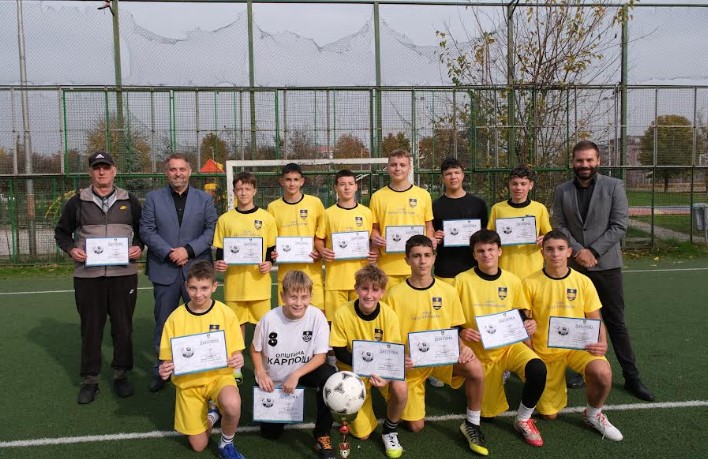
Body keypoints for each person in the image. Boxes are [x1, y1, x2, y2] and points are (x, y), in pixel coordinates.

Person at [551, 140, 654, 401]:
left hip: (606, 266)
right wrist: (578, 251)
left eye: (589, 160)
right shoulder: (562, 190)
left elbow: (619, 225)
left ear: (598, 161)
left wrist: (593, 251)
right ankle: (580, 370)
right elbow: (559, 225)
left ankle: (632, 377)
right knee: (578, 321)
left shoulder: (614, 186)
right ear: (573, 162)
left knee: (615, 322)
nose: (584, 165)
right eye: (579, 160)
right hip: (575, 267)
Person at [384, 235, 488, 456]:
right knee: (415, 426)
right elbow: (388, 337)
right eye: (416, 256)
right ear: (406, 259)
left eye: (427, 255)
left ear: (434, 258)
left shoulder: (448, 291)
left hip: (442, 359)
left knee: (475, 368)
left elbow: (454, 328)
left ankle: (472, 424)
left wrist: (463, 347)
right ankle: (397, 400)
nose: (422, 261)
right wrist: (399, 359)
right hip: (412, 365)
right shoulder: (394, 295)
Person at [54, 151, 143, 404]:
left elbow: (143, 231)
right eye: (96, 168)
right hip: (88, 276)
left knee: (123, 328)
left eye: (106, 167)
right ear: (90, 172)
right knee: (91, 329)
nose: (101, 172)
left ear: (114, 170)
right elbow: (61, 232)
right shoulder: (77, 202)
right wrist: (71, 249)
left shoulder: (130, 200)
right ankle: (90, 380)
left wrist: (139, 246)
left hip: (123, 275)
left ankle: (121, 374)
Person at [522, 231, 623, 441]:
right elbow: (525, 324)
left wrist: (602, 342)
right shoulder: (529, 282)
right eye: (549, 249)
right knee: (550, 415)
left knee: (602, 372)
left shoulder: (583, 281)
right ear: (542, 253)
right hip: (545, 352)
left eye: (560, 249)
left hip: (578, 347)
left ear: (569, 252)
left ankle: (593, 414)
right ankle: (552, 389)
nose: (555, 254)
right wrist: (531, 353)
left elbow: (595, 318)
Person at [455, 229, 546, 447]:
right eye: (481, 251)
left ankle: (523, 419)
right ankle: (480, 388)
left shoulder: (512, 280)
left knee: (537, 368)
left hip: (508, 347)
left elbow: (519, 313)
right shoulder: (461, 280)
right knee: (487, 416)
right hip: (479, 352)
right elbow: (450, 318)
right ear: (474, 254)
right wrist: (461, 331)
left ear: (499, 251)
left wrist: (528, 323)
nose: (486, 254)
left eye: (491, 249)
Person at [141, 153, 218, 392]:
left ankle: (204, 367)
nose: (178, 173)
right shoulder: (153, 198)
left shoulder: (204, 199)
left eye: (182, 169)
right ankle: (162, 370)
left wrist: (188, 250)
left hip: (197, 270)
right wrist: (169, 252)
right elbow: (146, 230)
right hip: (165, 269)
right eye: (173, 169)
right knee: (164, 323)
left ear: (189, 171)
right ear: (167, 172)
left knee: (202, 321)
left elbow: (211, 229)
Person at [158, 261, 247, 459]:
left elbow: (236, 351)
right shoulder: (175, 318)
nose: (199, 294)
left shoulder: (226, 313)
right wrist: (164, 369)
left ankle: (226, 444)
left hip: (218, 378)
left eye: (204, 288)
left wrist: (238, 358)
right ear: (186, 286)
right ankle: (213, 414)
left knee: (232, 403)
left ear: (214, 286)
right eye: (193, 288)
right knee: (199, 446)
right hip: (189, 384)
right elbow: (167, 360)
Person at [250, 271, 337, 459]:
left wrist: (296, 374)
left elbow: (320, 356)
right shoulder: (269, 319)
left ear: (310, 296)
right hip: (275, 377)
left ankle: (322, 433)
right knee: (270, 434)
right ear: (282, 296)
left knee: (330, 377)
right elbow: (255, 349)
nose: (298, 303)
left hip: (302, 371)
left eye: (304, 297)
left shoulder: (317, 316)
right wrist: (261, 372)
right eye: (293, 297)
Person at [330, 265, 407, 458]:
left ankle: (389, 431)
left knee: (401, 387)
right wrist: (366, 367)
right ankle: (346, 408)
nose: (369, 295)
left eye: (375, 289)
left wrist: (386, 377)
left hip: (380, 370)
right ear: (356, 288)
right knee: (363, 435)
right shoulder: (342, 313)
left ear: (382, 292)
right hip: (353, 372)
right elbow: (339, 352)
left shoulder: (389, 315)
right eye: (364, 288)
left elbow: (392, 353)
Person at [213, 172, 277, 346]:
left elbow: (271, 249)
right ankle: (237, 362)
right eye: (239, 189)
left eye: (248, 189)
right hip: (235, 285)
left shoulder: (267, 218)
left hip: (259, 284)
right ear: (234, 191)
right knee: (235, 326)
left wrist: (270, 263)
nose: (243, 193)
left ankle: (261, 361)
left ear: (254, 191)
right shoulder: (225, 219)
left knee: (262, 327)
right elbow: (220, 250)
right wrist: (219, 263)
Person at [315, 169, 376, 321]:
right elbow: (318, 239)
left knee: (360, 322)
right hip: (335, 281)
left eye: (350, 184)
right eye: (342, 184)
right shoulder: (328, 213)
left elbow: (372, 238)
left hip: (361, 280)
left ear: (356, 186)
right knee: (335, 322)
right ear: (336, 188)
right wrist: (322, 250)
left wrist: (374, 251)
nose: (347, 188)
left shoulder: (366, 212)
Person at [370, 149, 435, 289]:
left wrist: (431, 240)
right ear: (387, 167)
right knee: (388, 303)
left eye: (402, 165)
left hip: (417, 266)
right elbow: (374, 228)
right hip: (387, 267)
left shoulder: (423, 195)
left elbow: (429, 227)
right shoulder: (377, 197)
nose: (398, 168)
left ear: (409, 167)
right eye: (393, 165)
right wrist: (375, 237)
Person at [267, 163, 326, 311]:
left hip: (311, 270)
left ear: (302, 181)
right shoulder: (273, 207)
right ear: (281, 181)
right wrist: (273, 253)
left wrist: (320, 252)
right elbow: (271, 238)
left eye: (295, 179)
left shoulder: (315, 203)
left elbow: (322, 234)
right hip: (286, 272)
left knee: (317, 314)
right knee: (287, 315)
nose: (292, 183)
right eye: (288, 179)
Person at [487, 164, 551, 279]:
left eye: (523, 184)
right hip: (504, 269)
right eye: (514, 183)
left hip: (533, 270)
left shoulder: (539, 208)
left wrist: (545, 238)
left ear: (530, 185)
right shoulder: (498, 209)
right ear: (509, 184)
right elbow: (489, 238)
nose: (518, 188)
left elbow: (550, 236)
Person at [432, 157, 488, 283]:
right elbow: (431, 235)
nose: (453, 177)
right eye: (448, 174)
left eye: (456, 172)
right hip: (445, 270)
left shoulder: (478, 204)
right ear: (442, 178)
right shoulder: (435, 206)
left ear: (463, 175)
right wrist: (435, 237)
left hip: (473, 270)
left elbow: (485, 235)